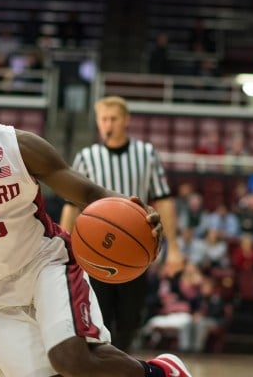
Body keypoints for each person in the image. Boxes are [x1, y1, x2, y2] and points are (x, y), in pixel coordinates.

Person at [0, 51, 192, 377]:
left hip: (45, 263)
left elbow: (89, 194)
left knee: (72, 359)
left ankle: (162, 373)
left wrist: (138, 213)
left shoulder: (17, 147)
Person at [59, 95, 183, 353]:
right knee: (99, 317)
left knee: (130, 319)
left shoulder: (146, 153)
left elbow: (164, 201)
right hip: (96, 247)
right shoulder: (86, 156)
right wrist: (64, 244)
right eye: (103, 119)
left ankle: (123, 363)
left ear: (126, 120)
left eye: (113, 118)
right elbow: (71, 205)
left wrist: (174, 248)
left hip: (135, 248)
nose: (108, 124)